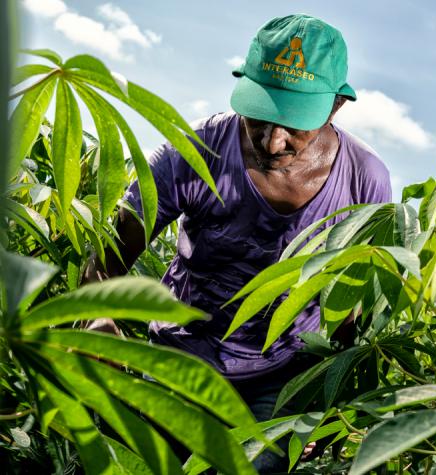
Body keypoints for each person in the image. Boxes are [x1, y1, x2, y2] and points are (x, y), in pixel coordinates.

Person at [84, 14, 392, 473]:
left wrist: (326, 404)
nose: (273, 141)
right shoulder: (191, 149)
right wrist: (99, 316)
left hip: (281, 379)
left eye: (294, 124)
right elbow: (107, 259)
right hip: (181, 357)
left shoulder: (365, 182)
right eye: (261, 116)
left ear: (335, 108)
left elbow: (353, 310)